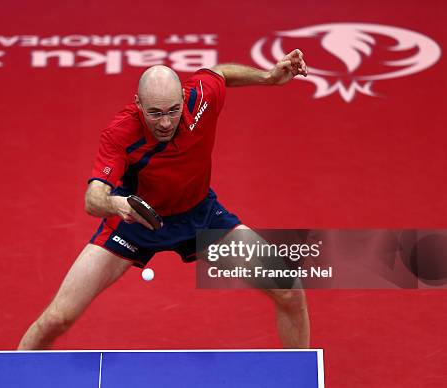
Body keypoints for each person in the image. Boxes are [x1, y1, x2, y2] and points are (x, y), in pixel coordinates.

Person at [18, 49, 310, 350]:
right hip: (135, 221)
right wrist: (116, 204)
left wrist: (268, 77)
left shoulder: (200, 98)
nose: (166, 123)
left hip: (199, 217)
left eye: (172, 110)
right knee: (57, 318)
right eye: (155, 113)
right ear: (138, 104)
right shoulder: (121, 133)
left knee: (289, 289)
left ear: (183, 99)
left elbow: (220, 73)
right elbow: (93, 198)